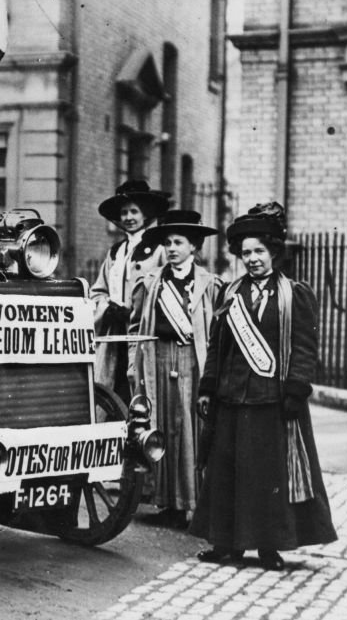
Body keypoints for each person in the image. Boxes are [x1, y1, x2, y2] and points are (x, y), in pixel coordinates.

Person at [189, 202, 337, 570]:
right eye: (246, 252)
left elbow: (305, 347)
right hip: (232, 397)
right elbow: (216, 347)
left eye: (259, 251)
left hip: (271, 401)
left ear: (273, 252)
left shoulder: (293, 294)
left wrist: (296, 390)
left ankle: (269, 546)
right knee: (227, 474)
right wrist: (208, 388)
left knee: (268, 478)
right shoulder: (230, 294)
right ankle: (227, 544)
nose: (252, 258)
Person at [129, 210, 222, 529]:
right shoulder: (151, 281)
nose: (171, 248)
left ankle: (194, 502)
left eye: (179, 242)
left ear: (194, 246)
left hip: (193, 360)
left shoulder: (210, 284)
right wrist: (134, 364)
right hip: (159, 358)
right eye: (167, 242)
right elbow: (136, 325)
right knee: (163, 425)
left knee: (191, 429)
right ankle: (168, 502)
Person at [90, 179, 169, 402]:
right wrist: (107, 307)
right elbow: (98, 291)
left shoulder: (158, 250)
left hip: (142, 333)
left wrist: (135, 312)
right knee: (113, 388)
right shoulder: (116, 252)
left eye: (134, 211)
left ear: (145, 215)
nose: (129, 217)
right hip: (114, 333)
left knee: (140, 389)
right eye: (124, 212)